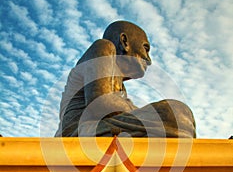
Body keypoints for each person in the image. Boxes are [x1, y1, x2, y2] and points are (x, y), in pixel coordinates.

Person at [55, 20, 196, 138]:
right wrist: (145, 112)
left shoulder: (120, 85)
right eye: (145, 49)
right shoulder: (104, 47)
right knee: (175, 113)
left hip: (100, 127)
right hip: (78, 131)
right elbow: (100, 103)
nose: (149, 60)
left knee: (178, 116)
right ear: (124, 41)